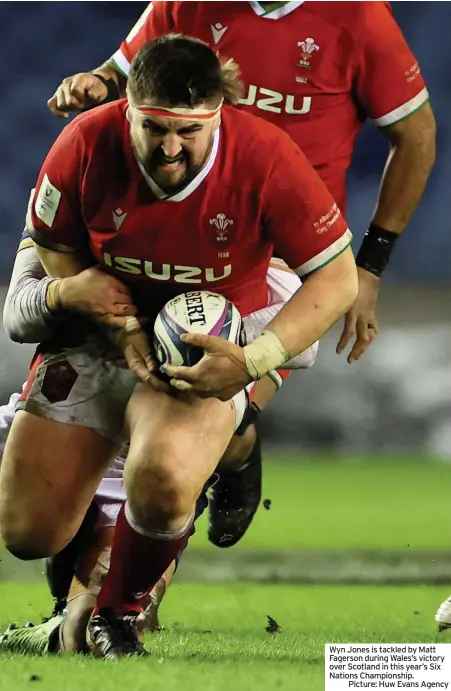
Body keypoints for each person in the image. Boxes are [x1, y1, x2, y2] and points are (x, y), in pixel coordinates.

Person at [1, 34, 358, 658]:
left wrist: (250, 362)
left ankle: (119, 612)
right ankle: (85, 555)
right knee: (27, 531)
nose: (170, 148)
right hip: (101, 340)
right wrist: (110, 318)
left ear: (217, 113)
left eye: (187, 133)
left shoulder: (265, 155)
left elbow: (336, 278)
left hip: (197, 357)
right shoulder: (84, 142)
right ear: (128, 109)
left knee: (164, 480)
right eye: (155, 128)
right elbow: (50, 252)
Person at [47, 0, 436, 549]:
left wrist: (368, 267)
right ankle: (116, 569)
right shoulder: (185, 4)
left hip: (283, 258)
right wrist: (95, 83)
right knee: (164, 424)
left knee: (195, 425)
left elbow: (417, 135)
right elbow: (126, 78)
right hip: (177, 234)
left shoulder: (358, 15)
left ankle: (129, 591)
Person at [0, 219, 315, 654]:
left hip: (172, 403)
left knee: (87, 626)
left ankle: (233, 443)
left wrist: (232, 349)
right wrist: (64, 294)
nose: (169, 149)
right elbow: (17, 314)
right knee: (29, 535)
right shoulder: (76, 174)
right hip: (78, 386)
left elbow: (303, 318)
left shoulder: (241, 181)